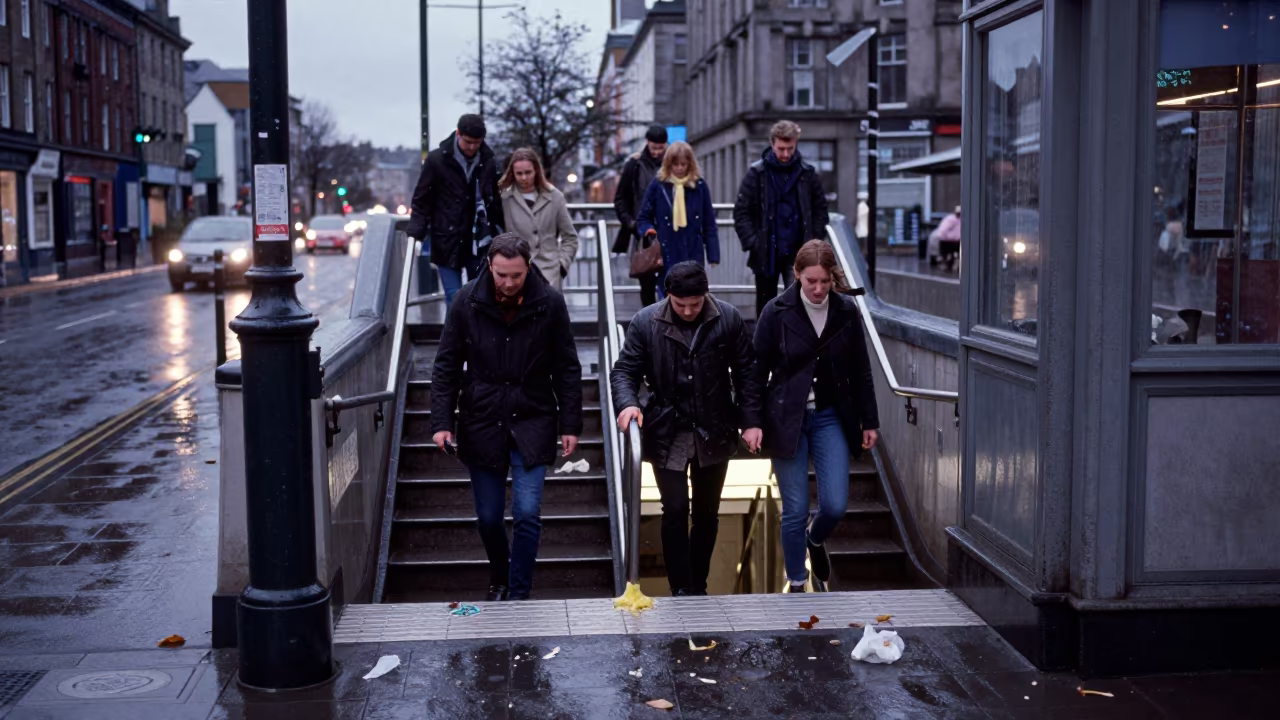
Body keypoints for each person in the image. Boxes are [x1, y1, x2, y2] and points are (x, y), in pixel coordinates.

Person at [430, 233, 582, 601]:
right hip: (483, 417)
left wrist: (570, 425)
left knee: (528, 513)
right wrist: (441, 424)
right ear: (489, 267)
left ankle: (518, 590)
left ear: (528, 267)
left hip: (533, 415)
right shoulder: (466, 301)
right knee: (489, 518)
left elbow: (567, 368)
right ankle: (499, 576)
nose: (509, 282)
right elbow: (446, 366)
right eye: (501, 275)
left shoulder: (550, 303)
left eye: (516, 275)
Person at [610, 261, 762, 597]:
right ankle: (679, 586)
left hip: (715, 426)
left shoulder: (728, 318)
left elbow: (747, 373)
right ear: (668, 296)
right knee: (675, 508)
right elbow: (624, 371)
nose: (689, 310)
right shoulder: (645, 321)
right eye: (681, 305)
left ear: (705, 295)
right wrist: (627, 404)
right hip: (668, 428)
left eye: (695, 303)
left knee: (707, 512)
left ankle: (698, 584)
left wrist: (751, 421)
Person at [752, 240, 880, 593]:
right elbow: (753, 371)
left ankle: (815, 538)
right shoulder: (776, 312)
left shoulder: (846, 311)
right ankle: (796, 581)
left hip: (829, 416)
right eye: (812, 281)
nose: (819, 289)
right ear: (796, 275)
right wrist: (750, 421)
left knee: (836, 505)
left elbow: (861, 370)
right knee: (793, 509)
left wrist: (870, 420)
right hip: (785, 418)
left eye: (825, 281)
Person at [407, 113, 506, 312]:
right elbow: (422, 197)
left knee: (479, 296)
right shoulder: (436, 160)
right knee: (454, 298)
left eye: (476, 143)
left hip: (478, 240)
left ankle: (476, 339)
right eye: (468, 142)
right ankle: (458, 340)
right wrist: (418, 225)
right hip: (446, 237)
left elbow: (494, 200)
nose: (471, 147)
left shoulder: (488, 161)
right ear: (458, 134)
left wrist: (500, 231)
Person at [733, 120, 831, 318]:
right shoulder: (757, 174)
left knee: (798, 303)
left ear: (796, 144)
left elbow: (821, 210)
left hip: (798, 249)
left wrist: (813, 242)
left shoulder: (807, 174)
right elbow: (742, 211)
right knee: (766, 305)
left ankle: (794, 344)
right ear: (772, 144)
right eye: (781, 149)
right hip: (766, 249)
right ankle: (765, 345)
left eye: (790, 148)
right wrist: (753, 242)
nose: (785, 154)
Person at [636, 142, 720, 297]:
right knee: (668, 294)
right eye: (676, 164)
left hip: (692, 249)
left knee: (693, 294)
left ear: (690, 164)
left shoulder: (699, 185)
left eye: (683, 164)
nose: (680, 168)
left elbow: (709, 221)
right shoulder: (659, 185)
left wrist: (713, 254)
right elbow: (643, 216)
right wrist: (648, 230)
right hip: (666, 248)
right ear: (669, 164)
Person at [498, 148, 579, 290]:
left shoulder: (555, 197)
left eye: (528, 172)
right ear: (512, 173)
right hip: (515, 273)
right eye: (519, 173)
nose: (524, 178)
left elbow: (570, 237)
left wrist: (562, 266)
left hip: (550, 273)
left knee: (549, 311)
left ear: (536, 170)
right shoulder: (505, 199)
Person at [612, 125, 668, 307]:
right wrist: (631, 224)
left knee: (673, 282)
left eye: (661, 148)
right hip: (643, 234)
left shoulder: (672, 163)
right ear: (647, 143)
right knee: (647, 285)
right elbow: (620, 198)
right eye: (654, 148)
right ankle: (652, 326)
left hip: (669, 232)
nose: (657, 152)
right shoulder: (634, 165)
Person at [929, 206, 962, 271]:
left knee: (955, 255)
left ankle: (953, 267)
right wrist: (942, 236)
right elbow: (943, 229)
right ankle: (948, 266)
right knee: (949, 255)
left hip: (955, 241)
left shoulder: (960, 220)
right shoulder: (951, 219)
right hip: (948, 241)